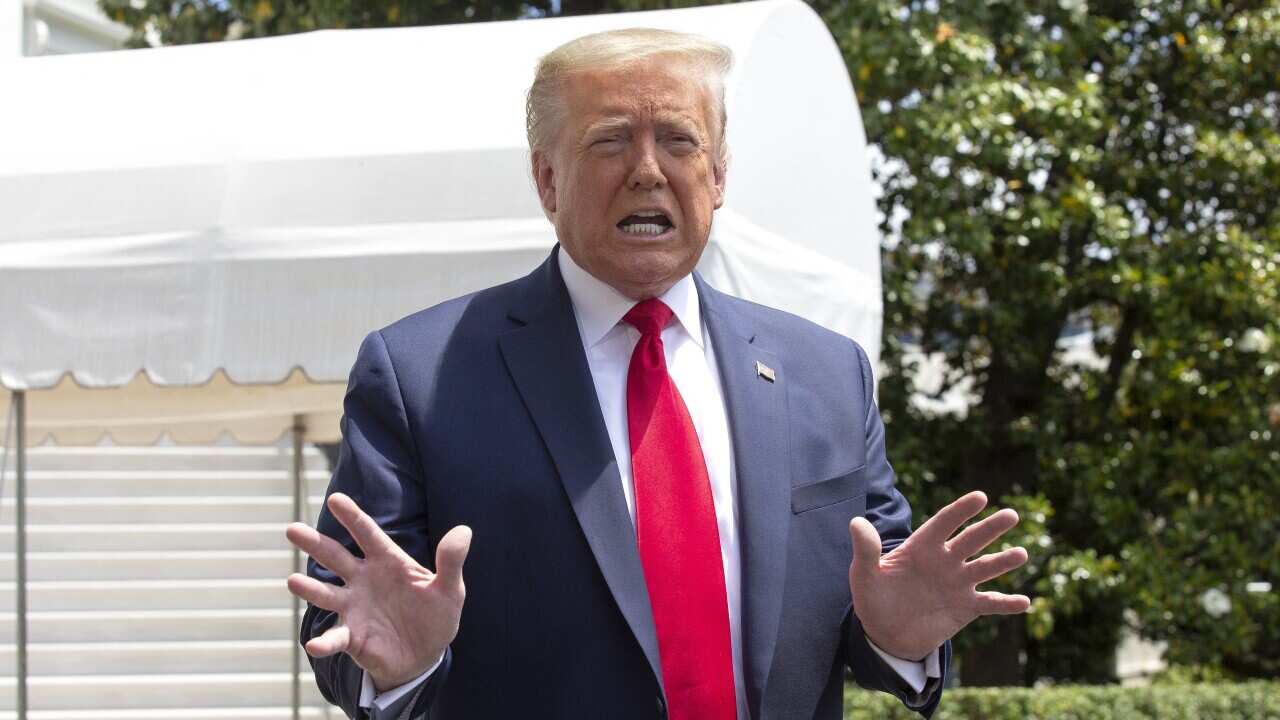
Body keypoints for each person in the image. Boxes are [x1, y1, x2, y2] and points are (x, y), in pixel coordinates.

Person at [285, 28, 1030, 720]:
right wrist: (401, 666)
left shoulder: (828, 373)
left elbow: (882, 593)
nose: (647, 171)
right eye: (610, 141)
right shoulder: (421, 375)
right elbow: (350, 620)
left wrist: (897, 636)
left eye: (678, 140)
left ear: (718, 176)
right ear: (547, 180)